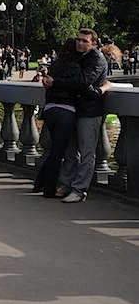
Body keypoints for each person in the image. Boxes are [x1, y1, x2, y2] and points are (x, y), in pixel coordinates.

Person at [43, 28, 108, 203]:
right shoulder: (77, 57)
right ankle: (66, 184)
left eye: (85, 41)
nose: (80, 43)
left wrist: (56, 82)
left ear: (94, 43)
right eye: (78, 40)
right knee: (70, 150)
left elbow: (83, 82)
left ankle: (80, 190)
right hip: (72, 109)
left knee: (87, 152)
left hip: (89, 111)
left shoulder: (97, 59)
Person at [32, 39, 81, 197]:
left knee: (55, 149)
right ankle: (48, 188)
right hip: (66, 109)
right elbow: (77, 84)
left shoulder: (56, 64)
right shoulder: (76, 65)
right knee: (58, 152)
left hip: (50, 109)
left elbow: (50, 84)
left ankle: (39, 183)